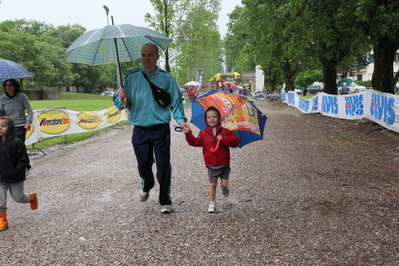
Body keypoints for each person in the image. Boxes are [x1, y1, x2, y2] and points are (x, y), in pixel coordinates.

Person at [113, 43, 189, 214]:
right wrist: (120, 97)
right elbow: (119, 106)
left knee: (163, 165)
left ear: (157, 57)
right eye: (143, 55)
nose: (146, 58)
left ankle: (165, 200)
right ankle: (147, 182)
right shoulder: (130, 78)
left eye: (149, 55)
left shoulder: (166, 78)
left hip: (160, 128)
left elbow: (175, 101)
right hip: (139, 129)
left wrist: (181, 120)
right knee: (143, 164)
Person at [184, 107, 240, 213]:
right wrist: (188, 133)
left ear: (219, 119)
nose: (212, 119)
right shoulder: (203, 133)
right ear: (206, 119)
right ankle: (212, 203)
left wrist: (224, 139)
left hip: (224, 164)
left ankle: (224, 188)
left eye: (214, 116)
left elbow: (235, 142)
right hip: (211, 164)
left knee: (224, 184)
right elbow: (195, 142)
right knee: (212, 184)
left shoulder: (225, 132)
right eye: (209, 117)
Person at [0, 116, 38, 231]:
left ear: (10, 128)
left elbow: (24, 160)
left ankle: (31, 197)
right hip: (1, 176)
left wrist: (16, 171)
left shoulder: (17, 143)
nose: (0, 128)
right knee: (0, 199)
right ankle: (2, 220)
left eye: (3, 126)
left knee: (18, 198)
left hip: (15, 175)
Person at [0, 79, 34, 143]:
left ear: (15, 86)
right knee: (7, 144)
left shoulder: (22, 97)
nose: (8, 87)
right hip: (8, 126)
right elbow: (2, 114)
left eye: (10, 85)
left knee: (19, 143)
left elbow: (29, 110)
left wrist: (28, 122)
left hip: (20, 125)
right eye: (6, 85)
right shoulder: (2, 99)